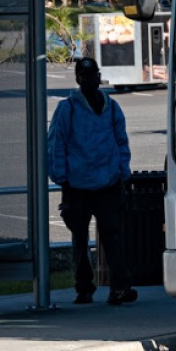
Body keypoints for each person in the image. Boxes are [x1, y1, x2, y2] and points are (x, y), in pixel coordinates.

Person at [47, 57, 137, 306]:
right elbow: (56, 145)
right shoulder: (68, 109)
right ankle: (83, 288)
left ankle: (119, 288)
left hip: (108, 184)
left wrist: (123, 173)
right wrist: (61, 178)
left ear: (99, 76)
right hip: (77, 186)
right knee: (80, 239)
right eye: (84, 76)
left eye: (93, 75)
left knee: (114, 238)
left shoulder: (113, 107)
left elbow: (122, 143)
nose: (90, 80)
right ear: (78, 79)